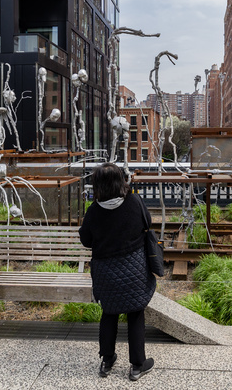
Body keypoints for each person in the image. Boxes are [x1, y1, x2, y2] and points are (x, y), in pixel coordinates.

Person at [79, 163, 156, 381]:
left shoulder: (93, 211)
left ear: (98, 185)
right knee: (135, 313)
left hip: (106, 273)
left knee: (109, 313)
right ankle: (137, 366)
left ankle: (107, 361)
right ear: (121, 181)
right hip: (134, 269)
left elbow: (86, 240)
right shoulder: (133, 201)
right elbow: (147, 223)